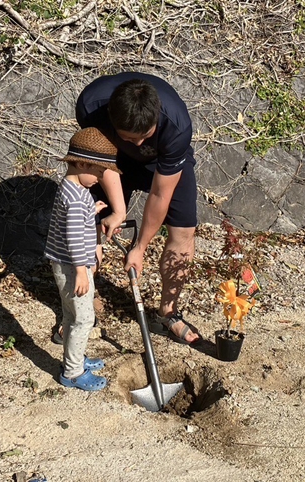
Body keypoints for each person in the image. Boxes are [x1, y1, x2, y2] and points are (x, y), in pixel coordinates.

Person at [76, 72, 201, 346]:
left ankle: (169, 312)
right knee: (87, 227)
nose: (140, 144)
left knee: (184, 230)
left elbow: (159, 193)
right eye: (131, 138)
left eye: (145, 136)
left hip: (161, 162)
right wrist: (114, 212)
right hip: (112, 161)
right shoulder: (90, 106)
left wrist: (140, 247)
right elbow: (101, 164)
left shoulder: (176, 126)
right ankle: (81, 313)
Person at [44, 127, 121, 391]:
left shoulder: (72, 189)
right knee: (83, 319)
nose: (100, 178)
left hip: (63, 264)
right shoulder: (77, 200)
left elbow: (74, 222)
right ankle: (73, 372)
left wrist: (93, 209)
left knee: (70, 313)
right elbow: (74, 238)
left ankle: (74, 357)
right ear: (79, 163)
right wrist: (80, 270)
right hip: (72, 266)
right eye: (98, 172)